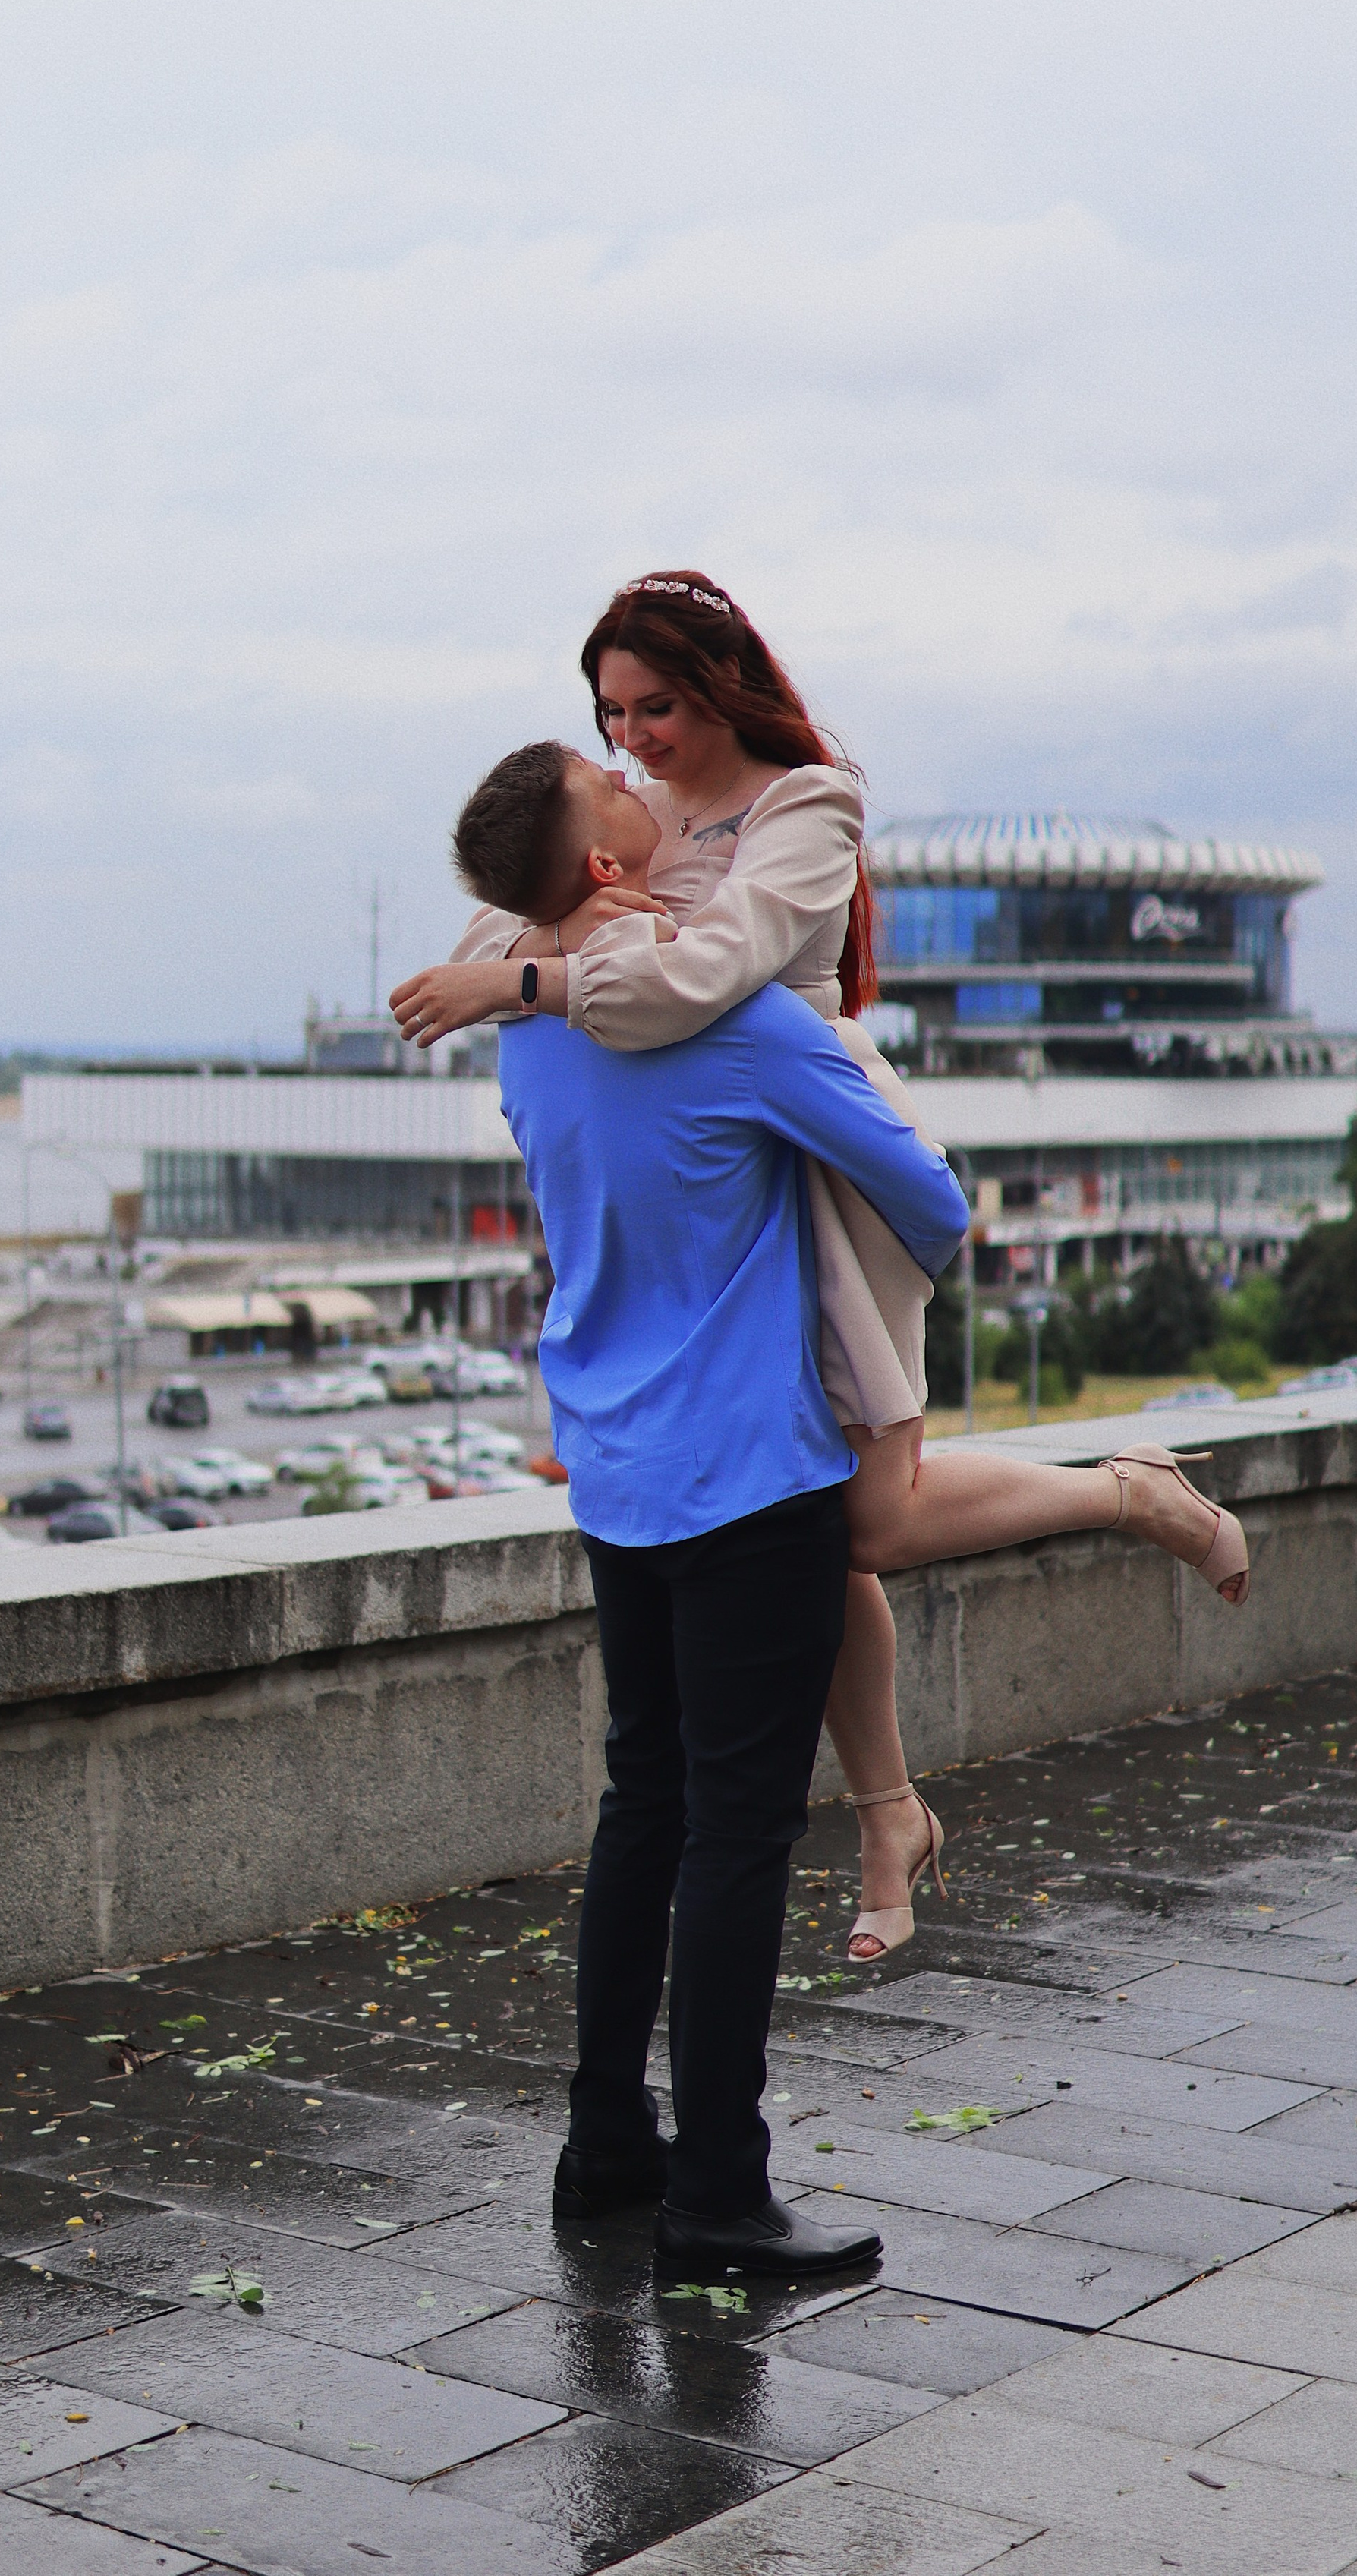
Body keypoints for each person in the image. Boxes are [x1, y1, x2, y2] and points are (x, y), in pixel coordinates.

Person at [392, 572, 1248, 1963]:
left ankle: (1125, 1497)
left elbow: (691, 980)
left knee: (868, 1519)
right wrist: (532, 945)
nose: (636, 742)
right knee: (814, 1516)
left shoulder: (806, 803)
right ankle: (891, 1814)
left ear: (722, 679)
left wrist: (532, 977)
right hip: (721, 1173)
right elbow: (507, 908)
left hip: (813, 1155)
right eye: (610, 716)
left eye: (656, 707)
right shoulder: (631, 810)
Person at [489, 847, 970, 2275]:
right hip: (753, 1473)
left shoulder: (527, 1034)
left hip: (617, 1466)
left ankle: (606, 2151)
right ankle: (719, 2195)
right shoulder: (747, 1029)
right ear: (600, 861)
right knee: (739, 1836)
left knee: (643, 1802)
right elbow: (930, 1200)